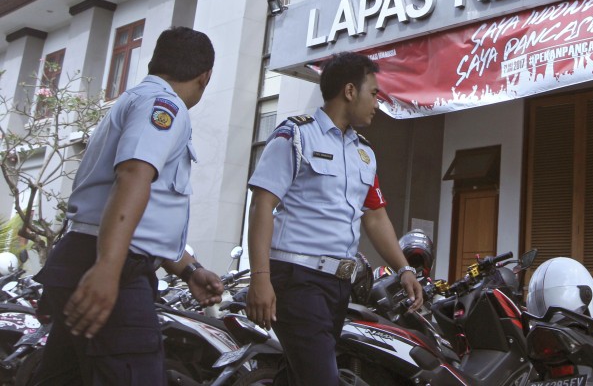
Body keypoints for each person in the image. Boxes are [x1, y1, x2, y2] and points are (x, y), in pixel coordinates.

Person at [29, 26, 222, 385]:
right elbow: (133, 176)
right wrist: (108, 267)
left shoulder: (135, 100)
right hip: (111, 267)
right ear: (205, 76)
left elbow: (141, 216)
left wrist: (189, 270)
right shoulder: (163, 106)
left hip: (87, 257)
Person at [246, 52, 424, 386]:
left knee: (299, 376)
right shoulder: (296, 135)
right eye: (374, 93)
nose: (377, 103)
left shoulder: (364, 152)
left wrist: (404, 269)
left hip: (340, 285)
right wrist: (260, 278)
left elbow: (375, 217)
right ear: (350, 91)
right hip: (297, 279)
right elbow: (262, 205)